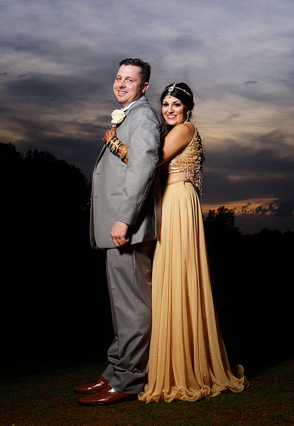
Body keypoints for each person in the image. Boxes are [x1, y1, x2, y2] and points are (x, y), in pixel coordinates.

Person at [104, 82, 247, 402]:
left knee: (180, 277)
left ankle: (188, 367)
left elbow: (150, 162)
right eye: (166, 104)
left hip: (179, 205)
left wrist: (115, 144)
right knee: (164, 280)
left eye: (176, 105)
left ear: (188, 109)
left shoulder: (186, 129)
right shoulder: (168, 132)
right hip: (165, 203)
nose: (170, 110)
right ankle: (164, 364)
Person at [75, 58, 162, 406]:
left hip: (128, 227)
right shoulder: (127, 114)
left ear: (144, 88)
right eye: (118, 77)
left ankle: (129, 379)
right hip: (117, 227)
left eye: (130, 80)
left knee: (134, 306)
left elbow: (142, 168)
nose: (121, 84)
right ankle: (115, 371)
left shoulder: (142, 117)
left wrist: (124, 218)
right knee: (121, 304)